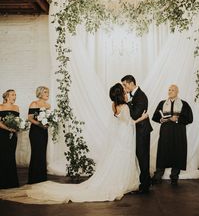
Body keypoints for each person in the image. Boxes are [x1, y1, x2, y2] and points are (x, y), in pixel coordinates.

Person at [0, 83, 148, 203]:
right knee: (123, 157)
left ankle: (118, 180)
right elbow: (130, 122)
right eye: (123, 90)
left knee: (117, 158)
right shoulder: (125, 106)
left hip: (119, 137)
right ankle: (121, 182)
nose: (125, 91)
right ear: (121, 94)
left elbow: (120, 119)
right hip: (125, 136)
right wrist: (143, 117)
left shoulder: (114, 105)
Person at [152, 85, 193, 186]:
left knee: (178, 153)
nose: (170, 92)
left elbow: (190, 118)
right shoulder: (162, 103)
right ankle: (158, 177)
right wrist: (160, 119)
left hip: (179, 132)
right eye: (169, 90)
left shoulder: (184, 104)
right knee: (163, 153)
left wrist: (178, 119)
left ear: (177, 91)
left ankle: (174, 177)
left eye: (173, 90)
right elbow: (155, 117)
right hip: (166, 132)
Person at [121, 75, 153, 194]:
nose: (124, 87)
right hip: (138, 130)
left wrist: (127, 103)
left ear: (131, 83)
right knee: (140, 157)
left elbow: (134, 115)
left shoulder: (141, 96)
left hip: (143, 131)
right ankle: (144, 182)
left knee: (143, 157)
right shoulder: (135, 95)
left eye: (125, 84)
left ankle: (145, 186)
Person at [28, 86, 51, 184]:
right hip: (35, 132)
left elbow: (49, 118)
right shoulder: (34, 103)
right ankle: (34, 178)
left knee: (42, 153)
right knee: (36, 153)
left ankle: (42, 177)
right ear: (40, 93)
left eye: (48, 92)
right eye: (45, 92)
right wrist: (40, 124)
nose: (47, 94)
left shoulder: (48, 105)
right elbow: (30, 118)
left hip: (44, 131)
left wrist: (49, 123)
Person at [0, 89, 19, 188]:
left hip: (13, 136)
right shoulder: (0, 106)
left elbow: (17, 121)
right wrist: (8, 128)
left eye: (15, 94)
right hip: (2, 135)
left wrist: (17, 128)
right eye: (12, 94)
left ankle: (12, 182)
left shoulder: (16, 108)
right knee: (2, 156)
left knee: (11, 156)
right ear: (7, 96)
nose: (14, 96)